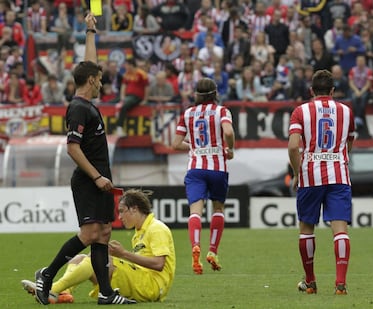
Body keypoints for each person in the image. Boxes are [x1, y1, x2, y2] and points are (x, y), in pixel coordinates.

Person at [28, 13, 136, 305]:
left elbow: (90, 66)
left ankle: (106, 294)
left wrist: (90, 32)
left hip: (99, 179)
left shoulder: (86, 102)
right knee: (89, 234)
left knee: (102, 233)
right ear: (91, 81)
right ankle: (47, 275)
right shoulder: (78, 108)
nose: (102, 82)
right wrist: (97, 176)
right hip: (89, 180)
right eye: (99, 79)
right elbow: (72, 148)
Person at [21, 189, 176, 304]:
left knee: (100, 259)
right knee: (80, 258)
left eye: (122, 211)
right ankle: (64, 293)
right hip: (140, 280)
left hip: (152, 287)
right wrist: (122, 255)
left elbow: (159, 264)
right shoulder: (140, 231)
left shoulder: (156, 228)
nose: (120, 217)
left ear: (134, 208)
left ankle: (52, 289)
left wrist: (123, 254)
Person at [288, 69, 355, 295]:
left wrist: (298, 173)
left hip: (311, 175)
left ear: (311, 91)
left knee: (307, 228)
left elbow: (292, 146)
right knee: (340, 230)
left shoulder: (301, 111)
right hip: (339, 175)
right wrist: (341, 159)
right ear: (333, 91)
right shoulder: (346, 112)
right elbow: (349, 142)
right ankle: (340, 284)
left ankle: (311, 282)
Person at [172, 77, 235, 275]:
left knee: (195, 211)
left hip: (196, 168)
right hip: (217, 167)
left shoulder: (188, 113)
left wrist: (195, 147)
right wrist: (230, 148)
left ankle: (195, 246)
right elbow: (228, 131)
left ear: (196, 94)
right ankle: (213, 251)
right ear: (215, 93)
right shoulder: (222, 111)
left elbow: (175, 143)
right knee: (218, 208)